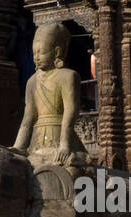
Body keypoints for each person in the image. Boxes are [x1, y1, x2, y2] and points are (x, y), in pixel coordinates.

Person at [13, 22, 89, 170]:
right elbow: (28, 118)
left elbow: (70, 111)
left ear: (57, 52)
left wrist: (64, 145)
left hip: (61, 138)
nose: (36, 57)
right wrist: (18, 146)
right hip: (37, 141)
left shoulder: (68, 76)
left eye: (41, 52)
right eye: (34, 53)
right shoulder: (31, 82)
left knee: (70, 169)